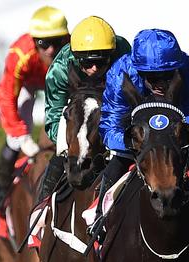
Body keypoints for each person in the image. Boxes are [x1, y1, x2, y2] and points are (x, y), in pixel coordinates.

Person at [95, 28, 189, 231]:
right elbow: (111, 125)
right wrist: (134, 144)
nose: (161, 84)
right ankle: (100, 223)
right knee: (113, 169)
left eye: (167, 76)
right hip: (137, 140)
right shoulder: (121, 75)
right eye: (153, 77)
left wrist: (188, 143)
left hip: (175, 140)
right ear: (139, 71)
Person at [36, 16, 131, 205]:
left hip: (113, 111)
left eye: (101, 62)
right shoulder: (59, 70)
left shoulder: (124, 56)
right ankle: (39, 213)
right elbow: (54, 118)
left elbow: (133, 102)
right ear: (77, 59)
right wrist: (73, 145)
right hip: (75, 113)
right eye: (88, 63)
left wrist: (113, 140)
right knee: (58, 157)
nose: (95, 69)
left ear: (111, 55)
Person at [0, 6, 70, 210]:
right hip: (28, 84)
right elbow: (7, 97)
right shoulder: (20, 54)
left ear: (67, 38)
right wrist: (21, 135)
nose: (51, 50)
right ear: (34, 41)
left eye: (58, 42)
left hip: (59, 83)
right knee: (15, 138)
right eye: (44, 43)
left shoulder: (73, 50)